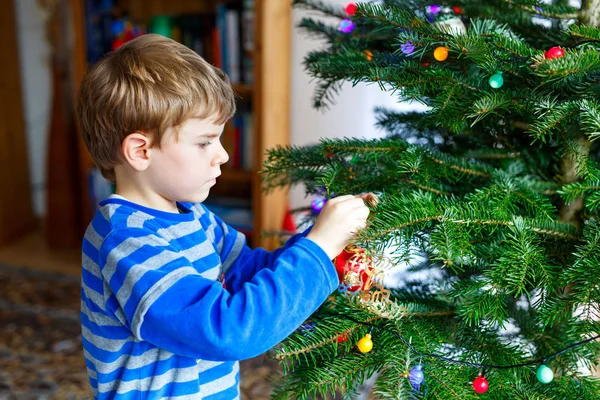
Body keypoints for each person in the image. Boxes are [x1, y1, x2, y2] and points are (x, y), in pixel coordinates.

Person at [77, 34, 374, 399]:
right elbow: (229, 331)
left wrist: (329, 242)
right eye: (204, 142)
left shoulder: (192, 215)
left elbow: (250, 269)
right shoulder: (127, 242)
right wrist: (317, 248)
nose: (223, 155)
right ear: (141, 150)